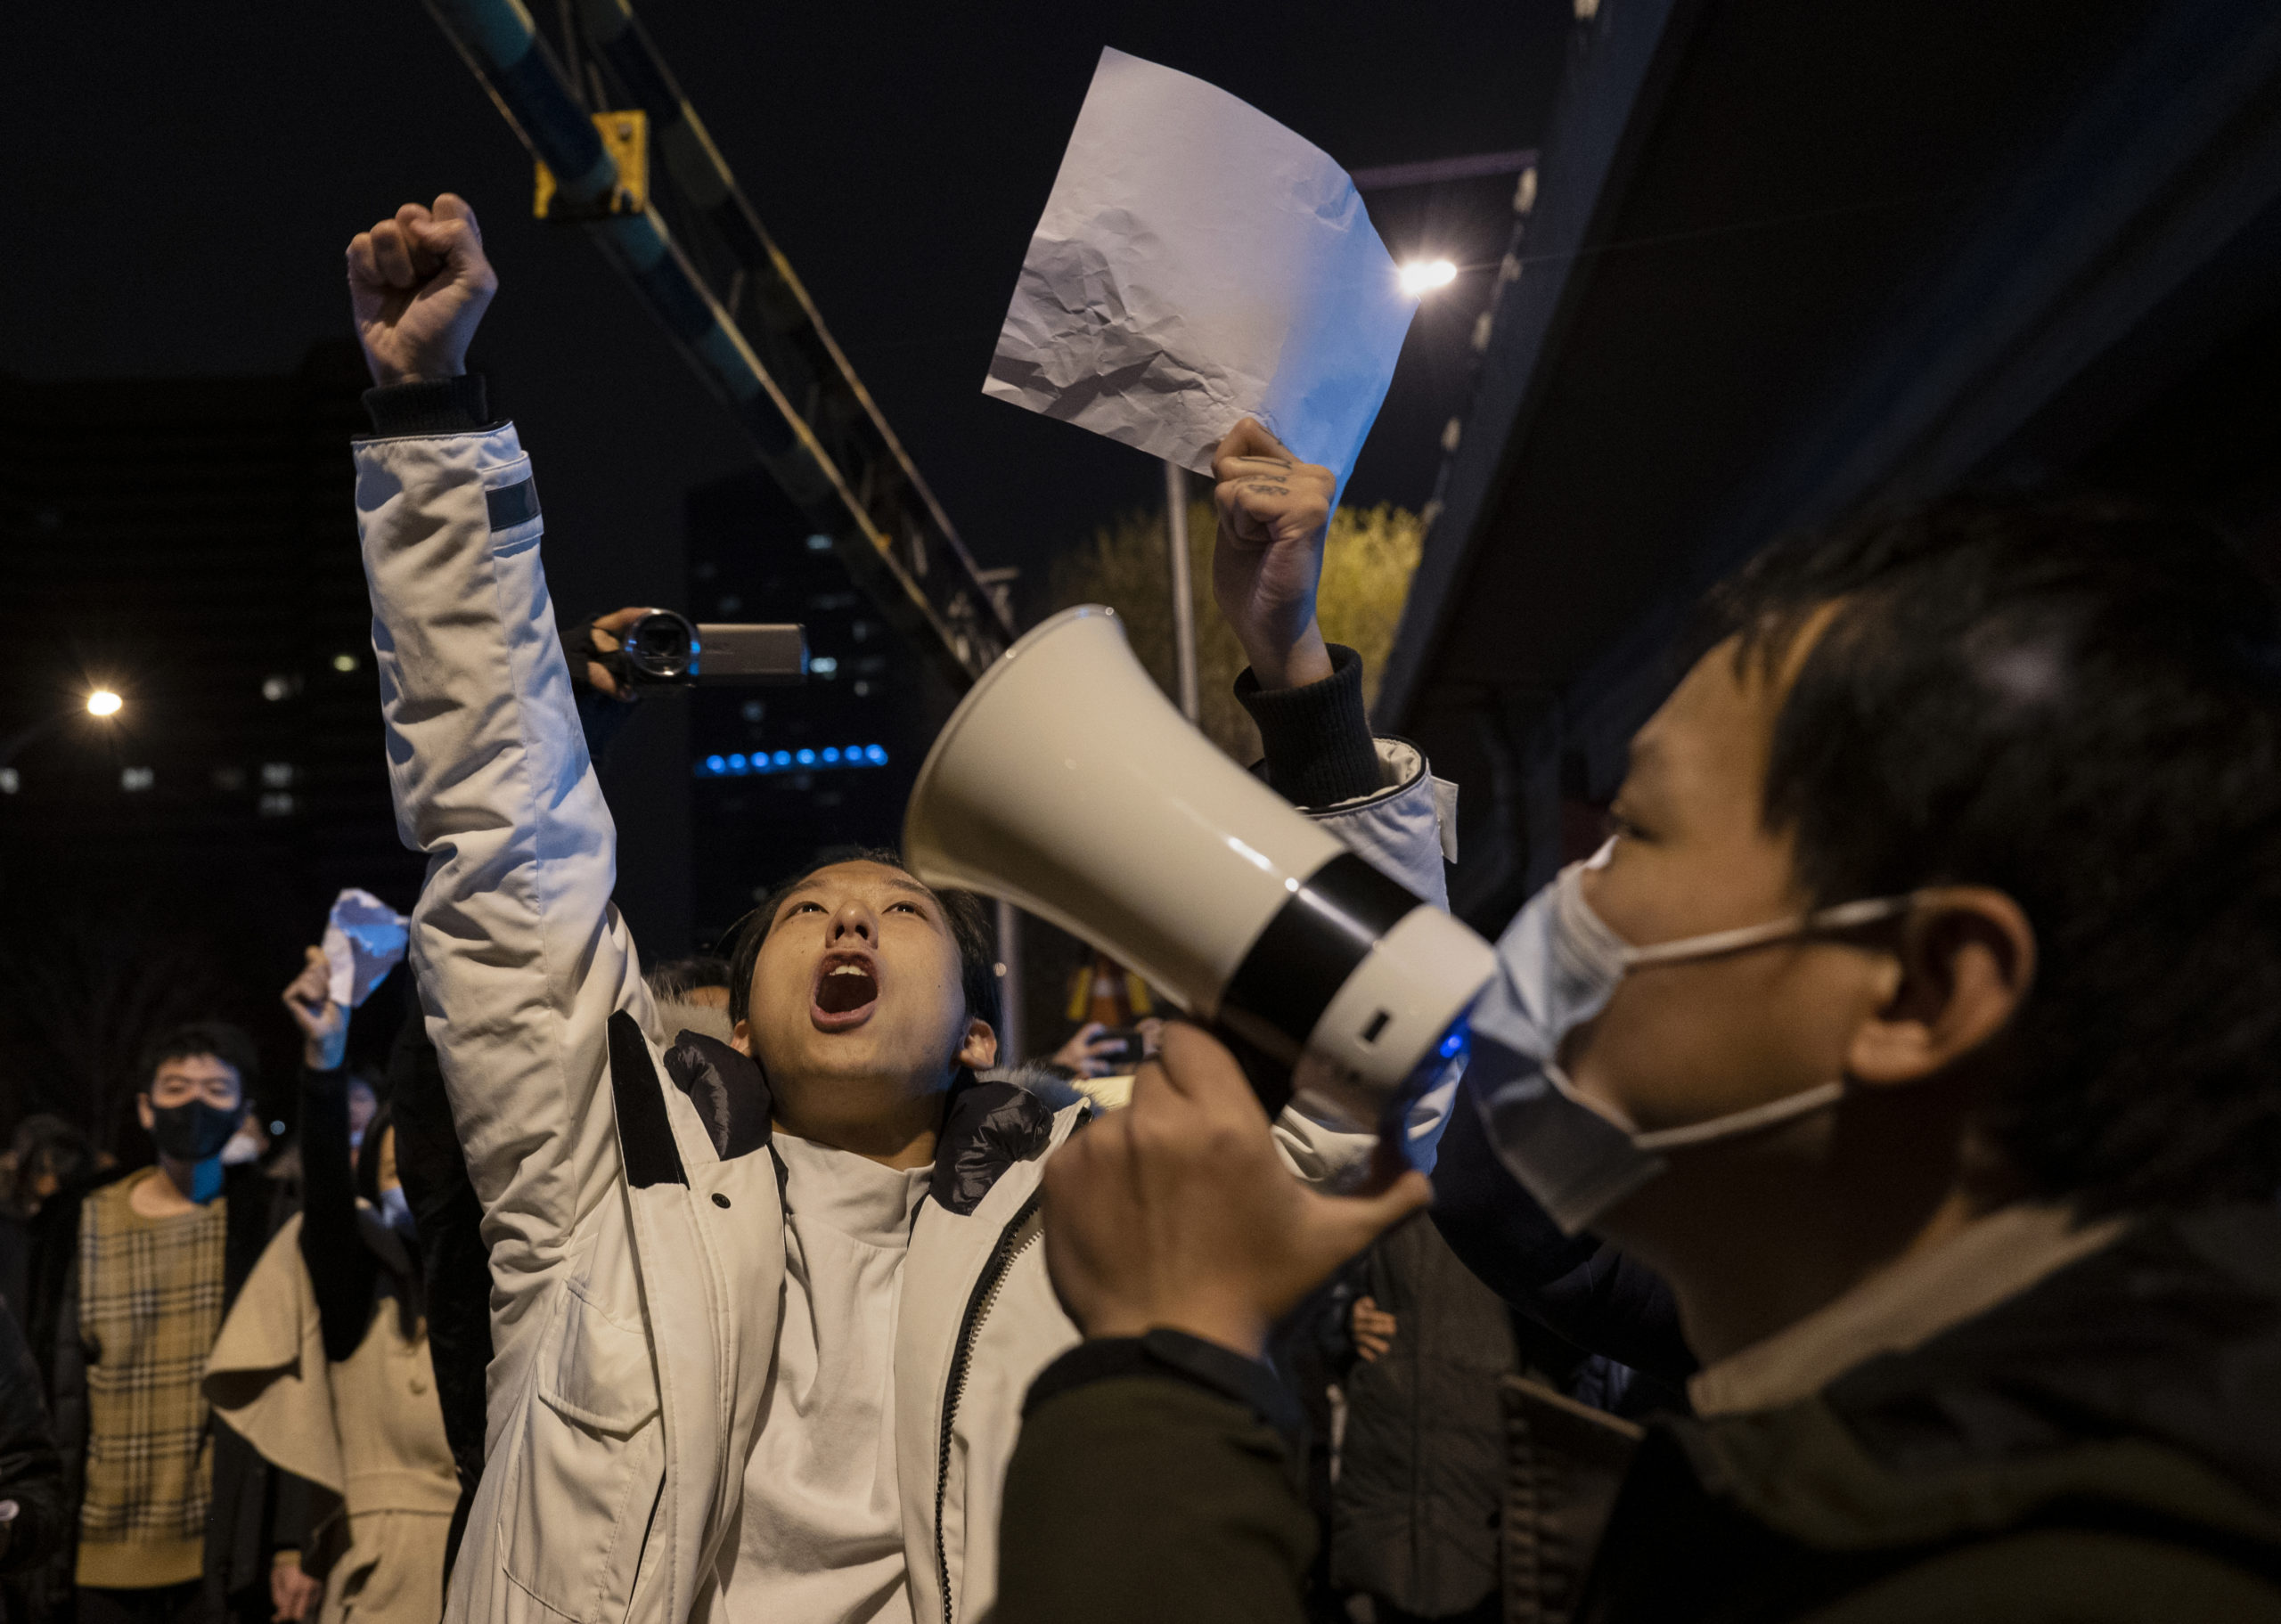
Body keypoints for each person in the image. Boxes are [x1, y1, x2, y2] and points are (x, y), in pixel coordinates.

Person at [342, 192, 1458, 1624]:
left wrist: (1296, 669)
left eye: (901, 914)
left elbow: (1364, 1074)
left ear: (984, 1041)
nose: (854, 925)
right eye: (810, 913)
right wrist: (434, 420)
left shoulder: (1096, 1199)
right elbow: (503, 834)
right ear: (735, 1018)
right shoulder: (597, 1174)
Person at [994, 497, 2281, 1622]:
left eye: (1636, 836)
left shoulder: (2055, 1581)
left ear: (1926, 987)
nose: (1568, 895)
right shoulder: (1918, 1432)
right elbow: (1468, 1124)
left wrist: (1167, 1363)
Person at [201, 951, 459, 1624]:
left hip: (485, 1550)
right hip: (378, 1567)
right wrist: (326, 1056)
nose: (408, 1180)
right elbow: (324, 1194)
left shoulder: (485, 1281)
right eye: (389, 1163)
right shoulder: (353, 1281)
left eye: (423, 1166)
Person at [29, 1023, 317, 1624]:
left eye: (216, 1089)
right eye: (177, 1086)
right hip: (92, 1559)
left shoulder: (265, 1225)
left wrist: (291, 1538)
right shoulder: (77, 1224)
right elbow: (42, 1386)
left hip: (214, 1563)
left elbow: (295, 1385)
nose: (194, 1103)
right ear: (144, 1106)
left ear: (243, 1111)